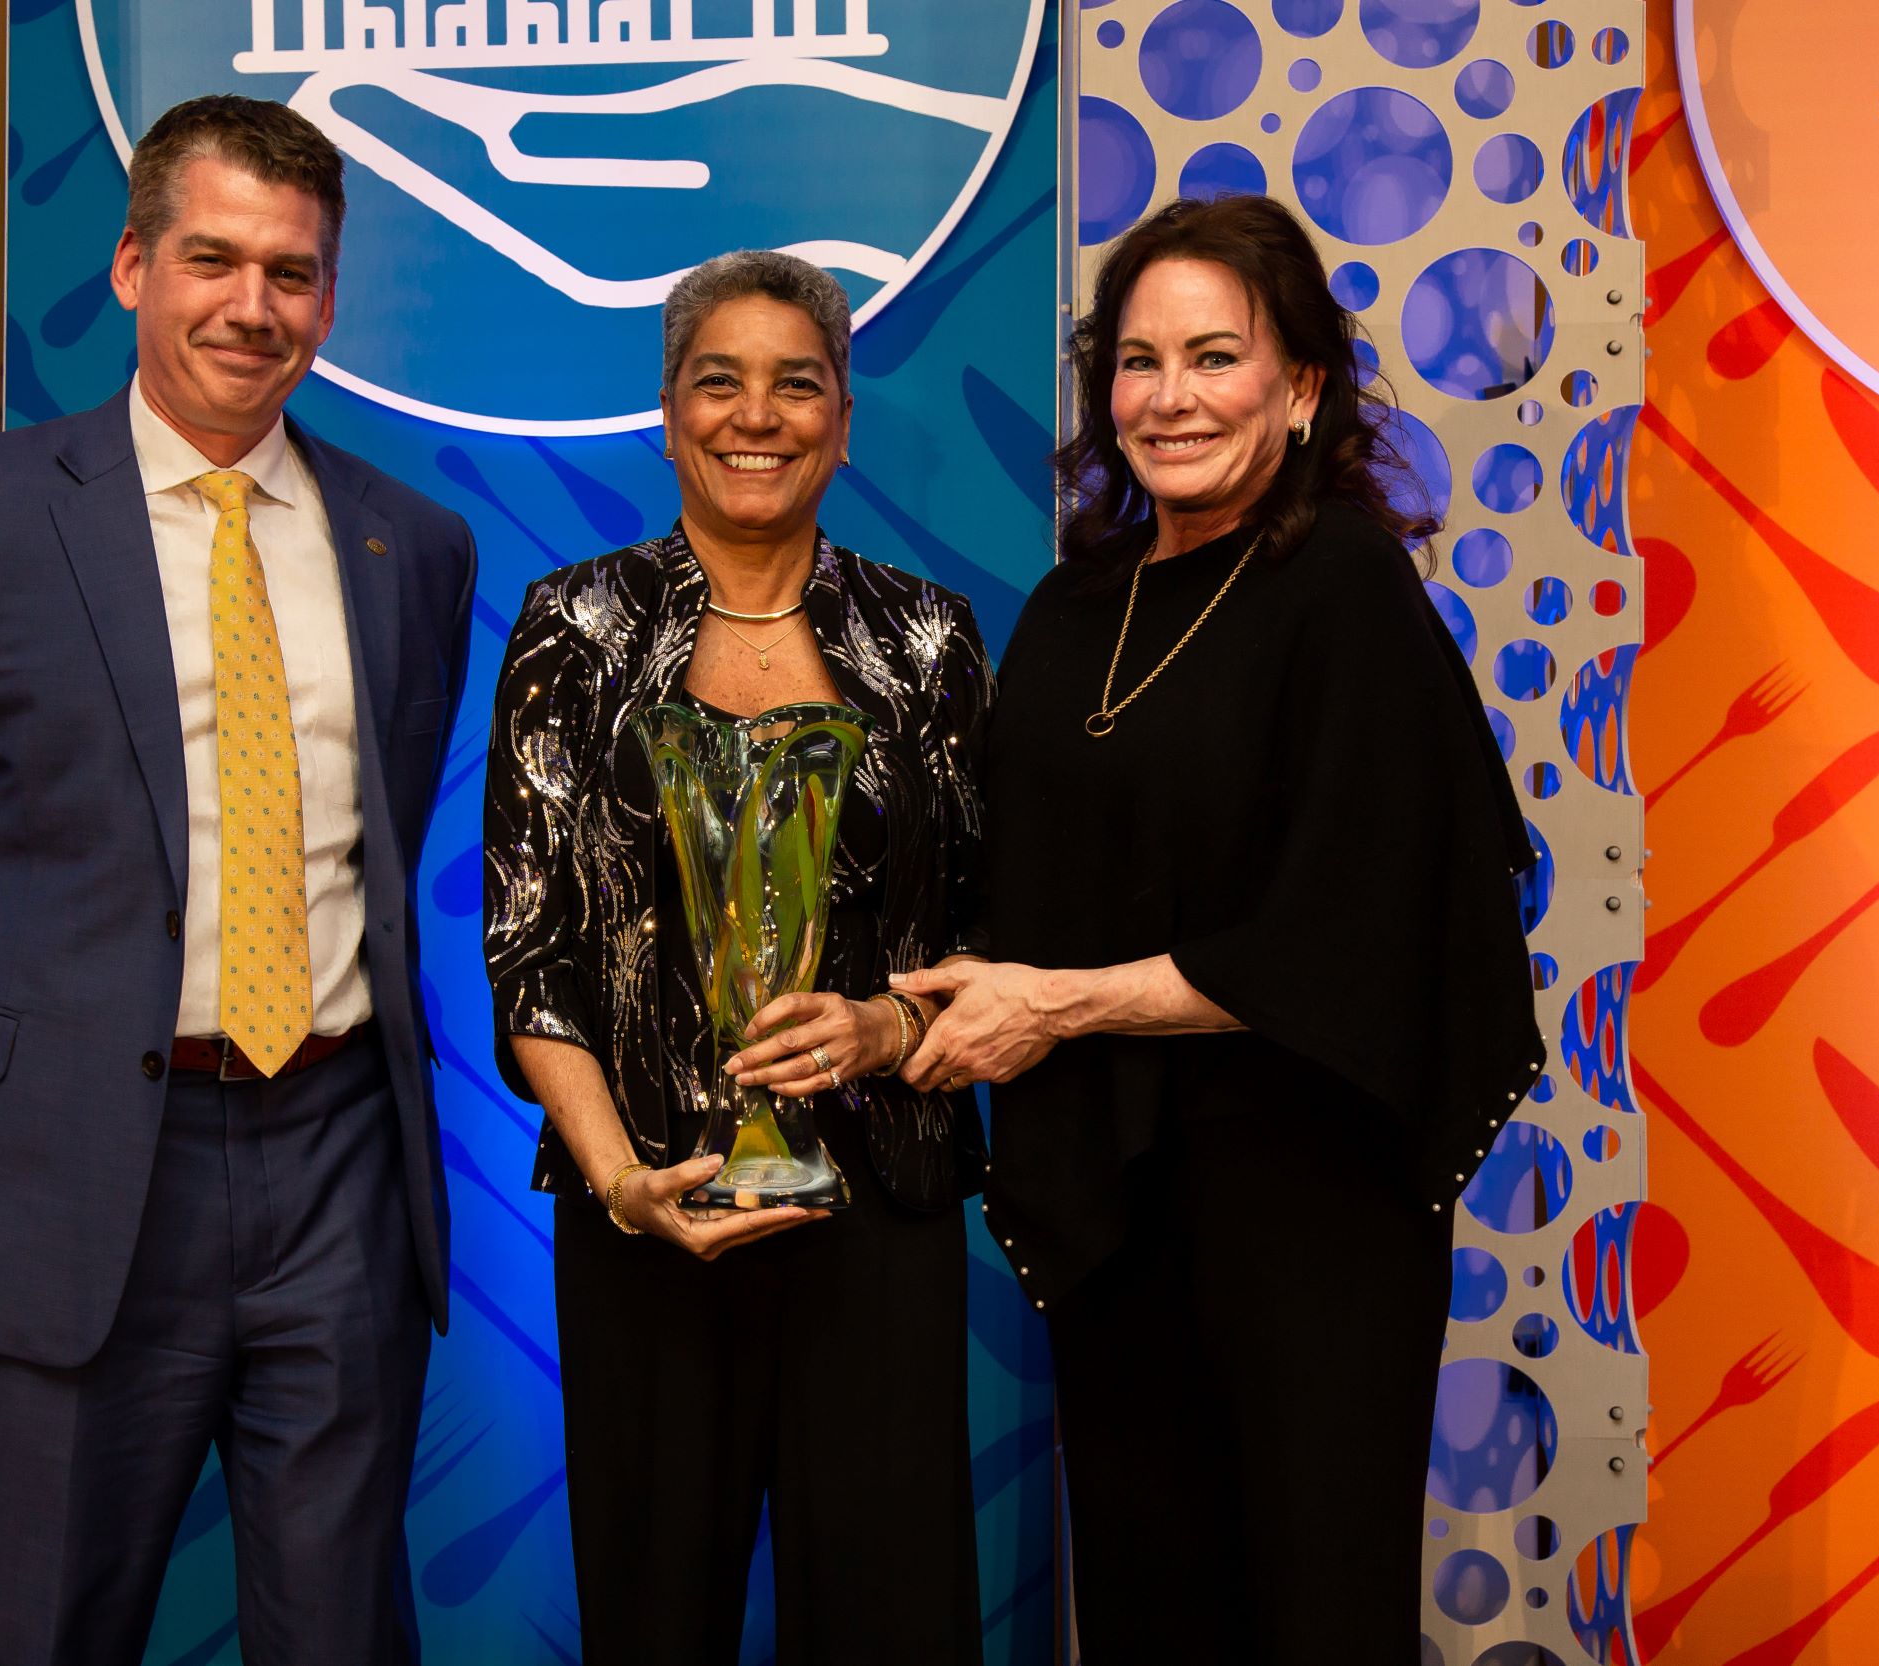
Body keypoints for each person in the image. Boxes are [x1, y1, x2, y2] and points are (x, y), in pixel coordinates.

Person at [0, 95, 476, 1665]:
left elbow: (378, 836)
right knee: (30, 1627)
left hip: (336, 1168)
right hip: (59, 1169)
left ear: (330, 292)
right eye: (214, 260)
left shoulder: (411, 544)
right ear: (130, 268)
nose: (254, 307)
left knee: (340, 1636)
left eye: (293, 273)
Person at [895, 194, 1542, 1661]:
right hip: (1120, 1202)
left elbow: (1355, 921)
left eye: (1213, 355)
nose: (1169, 397)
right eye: (1137, 360)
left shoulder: (1346, 588)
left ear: (1301, 385)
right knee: (1145, 1602)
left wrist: (1059, 1007)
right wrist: (914, 1007)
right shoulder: (1071, 608)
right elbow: (1019, 894)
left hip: (1310, 1205)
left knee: (1313, 1603)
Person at [484, 250, 990, 1665]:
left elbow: (986, 937)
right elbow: (530, 948)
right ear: (666, 414)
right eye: (720, 382)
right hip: (647, 1211)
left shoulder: (928, 639)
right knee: (654, 1620)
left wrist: (889, 1030)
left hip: (880, 1216)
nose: (754, 416)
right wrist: (617, 1179)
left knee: (895, 1624)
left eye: (795, 383)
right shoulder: (572, 631)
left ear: (842, 418)